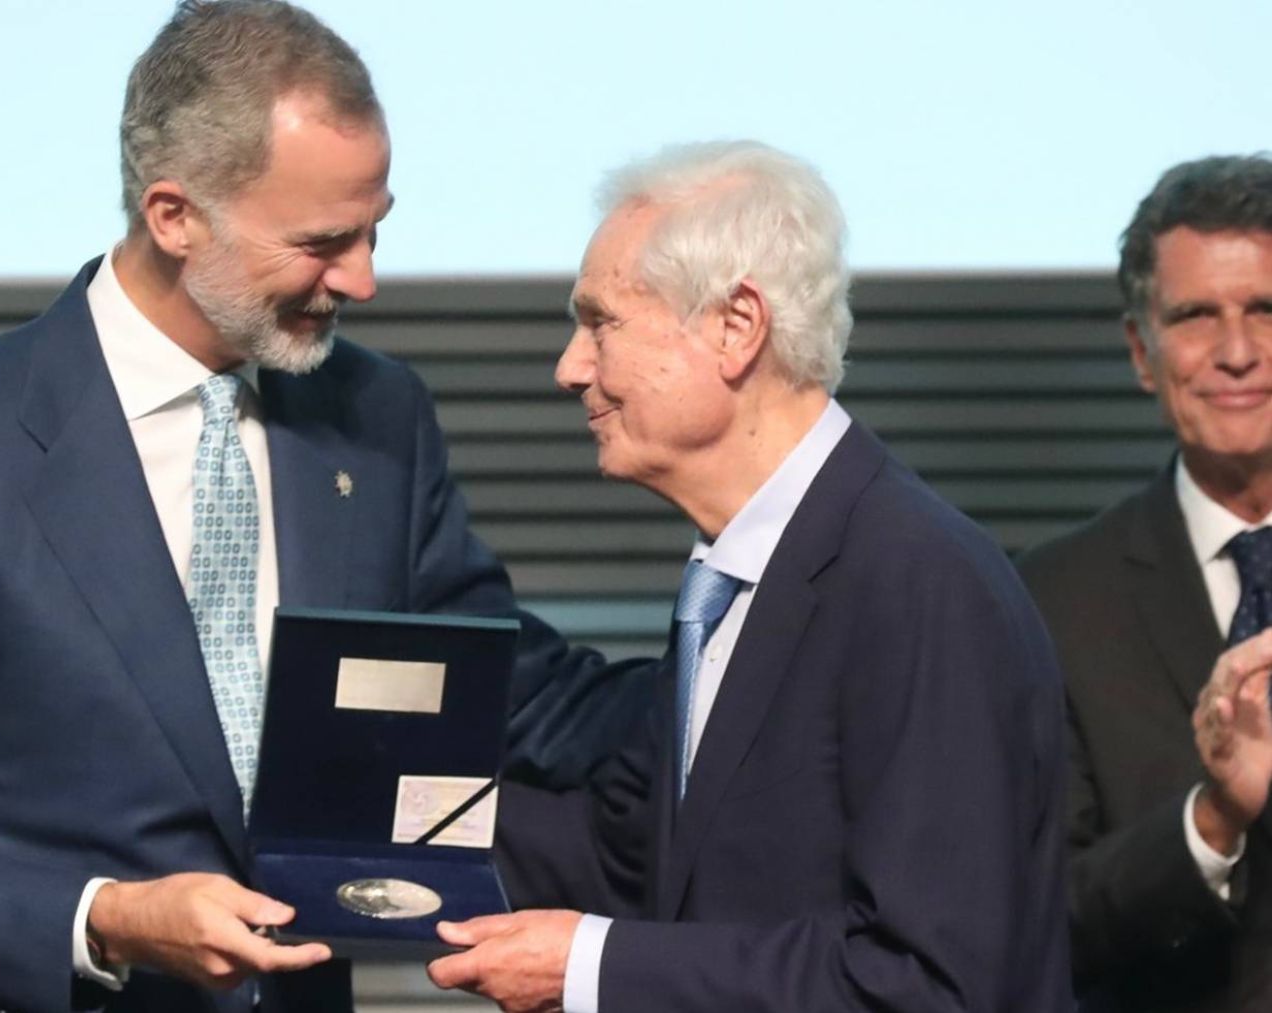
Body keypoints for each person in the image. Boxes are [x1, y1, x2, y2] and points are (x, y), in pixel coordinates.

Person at [0, 3, 645, 1011]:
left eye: (374, 230)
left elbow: (501, 690)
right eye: (323, 241)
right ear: (175, 216)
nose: (363, 278)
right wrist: (103, 918)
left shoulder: (378, 415)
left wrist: (741, 677)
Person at [425, 140, 1074, 1012]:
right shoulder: (734, 578)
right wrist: (360, 816)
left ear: (736, 327)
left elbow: (927, 980)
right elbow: (645, 856)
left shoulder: (918, 582)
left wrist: (591, 968)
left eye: (600, 322)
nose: (569, 367)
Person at [1018, 154, 1272, 1012]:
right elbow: (1040, 916)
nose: (1238, 352)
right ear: (1141, 350)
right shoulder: (1057, 600)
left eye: (1266, 309)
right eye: (1197, 315)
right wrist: (1211, 822)